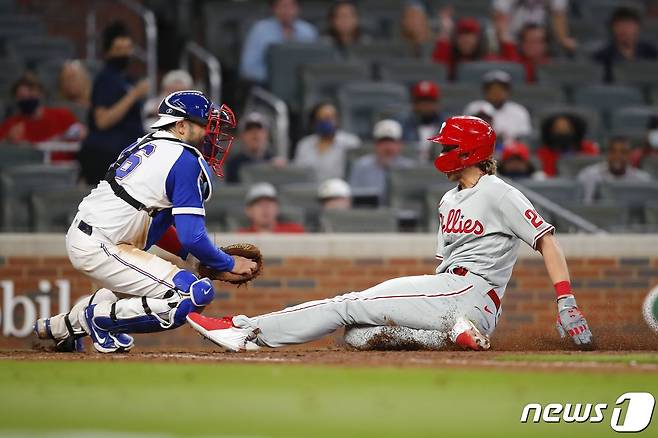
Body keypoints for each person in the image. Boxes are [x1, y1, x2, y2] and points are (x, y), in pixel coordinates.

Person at [187, 116, 593, 353]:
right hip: (452, 295)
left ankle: (246, 329)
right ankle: (452, 335)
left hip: (471, 291)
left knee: (347, 305)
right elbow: (440, 268)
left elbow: (547, 241)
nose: (440, 153)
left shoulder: (499, 191)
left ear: (468, 151)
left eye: (447, 146)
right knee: (360, 336)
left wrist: (566, 299)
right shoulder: (450, 200)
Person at [34, 90, 258, 354]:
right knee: (194, 293)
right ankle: (99, 321)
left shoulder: (147, 143)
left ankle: (61, 327)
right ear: (181, 125)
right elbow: (192, 237)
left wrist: (199, 260)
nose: (211, 134)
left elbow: (153, 222)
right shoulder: (184, 160)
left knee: (135, 292)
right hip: (103, 245)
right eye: (206, 125)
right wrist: (227, 262)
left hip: (99, 238)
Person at [79, 21, 150, 185]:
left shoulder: (126, 79)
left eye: (128, 48)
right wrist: (134, 95)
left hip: (126, 155)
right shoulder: (106, 79)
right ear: (107, 51)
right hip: (107, 156)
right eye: (119, 49)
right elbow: (102, 121)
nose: (125, 54)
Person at [240, 0, 318, 84]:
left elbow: (315, 64)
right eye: (282, 6)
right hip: (268, 85)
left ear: (298, 8)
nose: (286, 10)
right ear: (274, 8)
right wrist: (279, 77)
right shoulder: (260, 30)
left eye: (290, 6)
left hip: (302, 85)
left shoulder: (308, 30)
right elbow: (248, 69)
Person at [0, 72, 82, 144]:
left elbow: (82, 133)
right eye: (22, 97)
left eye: (31, 96)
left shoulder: (63, 115)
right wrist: (8, 140)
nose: (27, 100)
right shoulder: (12, 125)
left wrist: (62, 137)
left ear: (40, 94)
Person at [432, 13, 517, 80]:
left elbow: (513, 68)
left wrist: (504, 37)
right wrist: (445, 35)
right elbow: (437, 69)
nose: (466, 40)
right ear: (456, 39)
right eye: (462, 35)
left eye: (470, 35)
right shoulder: (450, 61)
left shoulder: (487, 60)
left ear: (478, 39)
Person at [349, 119, 415, 204]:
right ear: (375, 145)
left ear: (400, 144)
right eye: (383, 142)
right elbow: (353, 197)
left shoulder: (410, 168)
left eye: (392, 142)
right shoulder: (361, 166)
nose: (388, 147)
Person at [294, 102, 360, 182]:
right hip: (309, 191)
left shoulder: (350, 143)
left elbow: (356, 175)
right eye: (322, 118)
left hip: (338, 191)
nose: (326, 122)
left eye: (330, 118)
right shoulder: (304, 144)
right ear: (314, 122)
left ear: (337, 119)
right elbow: (297, 173)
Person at [464, 70, 532, 144]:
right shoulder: (474, 108)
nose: (496, 92)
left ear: (508, 91)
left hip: (510, 152)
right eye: (492, 89)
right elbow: (466, 135)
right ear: (485, 91)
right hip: (480, 150)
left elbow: (524, 138)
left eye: (501, 89)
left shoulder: (519, 110)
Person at [578, 137, 652, 204]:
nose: (617, 156)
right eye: (613, 151)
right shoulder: (588, 175)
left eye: (623, 152)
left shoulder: (643, 181)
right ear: (607, 153)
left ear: (629, 155)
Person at [593, 6, 658, 82]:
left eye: (629, 25)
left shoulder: (651, 52)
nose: (624, 29)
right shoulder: (602, 56)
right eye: (619, 25)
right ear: (612, 28)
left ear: (638, 27)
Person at [493, 0, 577, 53]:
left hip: (543, 35)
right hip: (514, 35)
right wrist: (505, 40)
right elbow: (500, 15)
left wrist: (563, 39)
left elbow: (558, 14)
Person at [225, 112, 285, 184]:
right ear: (242, 136)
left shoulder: (275, 161)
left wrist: (281, 170)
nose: (255, 133)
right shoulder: (233, 164)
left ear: (267, 134)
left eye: (259, 128)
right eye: (249, 129)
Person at [394, 80, 446, 161]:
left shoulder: (448, 125)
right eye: (421, 101)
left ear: (437, 103)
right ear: (413, 104)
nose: (425, 105)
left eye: (429, 101)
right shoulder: (402, 125)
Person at [238, 182, 305, 233]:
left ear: (277, 208)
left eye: (269, 204)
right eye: (259, 204)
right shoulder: (240, 237)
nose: (265, 208)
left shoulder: (294, 232)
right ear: (249, 211)